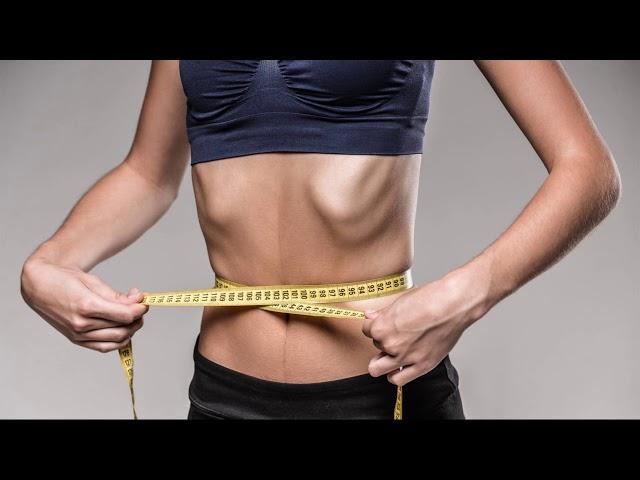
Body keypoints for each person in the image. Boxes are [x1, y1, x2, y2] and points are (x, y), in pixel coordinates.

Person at [20, 60, 621, 419]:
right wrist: (48, 263)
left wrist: (467, 295)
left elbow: (588, 169)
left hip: (380, 390)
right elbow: (148, 174)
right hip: (224, 393)